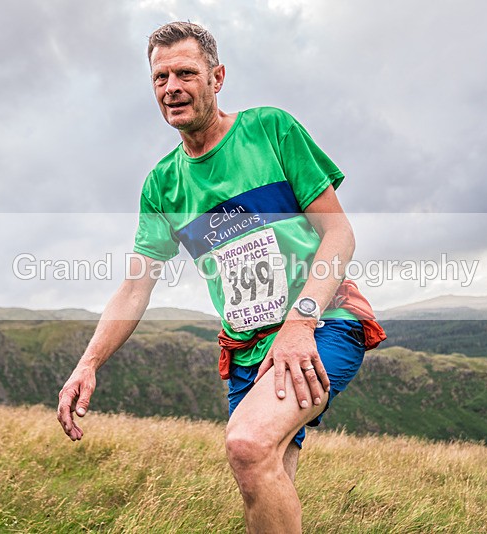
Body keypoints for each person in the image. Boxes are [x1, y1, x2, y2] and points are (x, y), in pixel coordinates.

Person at [57, 21, 385, 532]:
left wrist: (301, 322)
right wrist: (88, 364)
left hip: (321, 323)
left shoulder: (270, 130)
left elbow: (339, 234)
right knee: (266, 474)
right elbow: (136, 283)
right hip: (246, 348)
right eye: (160, 77)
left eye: (186, 72)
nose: (172, 87)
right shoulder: (162, 185)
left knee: (247, 445)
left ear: (217, 77)